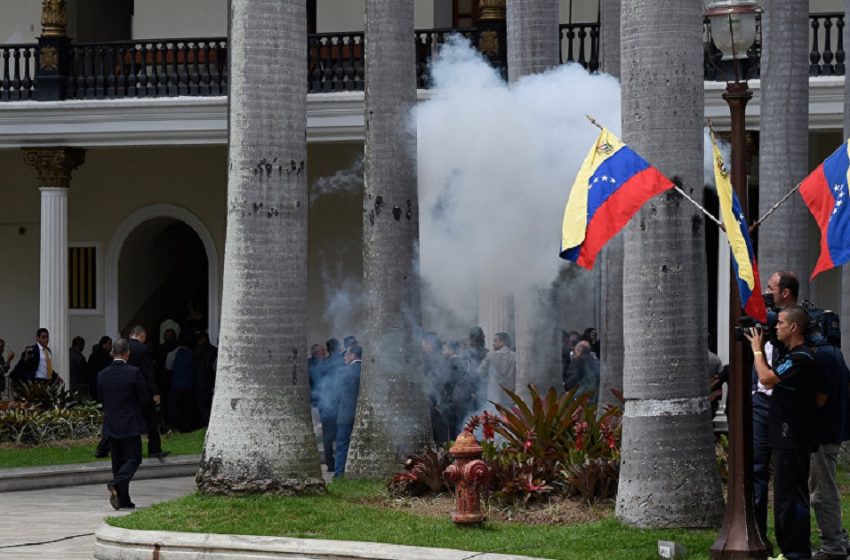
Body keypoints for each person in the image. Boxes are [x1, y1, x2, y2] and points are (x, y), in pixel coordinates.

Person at [745, 305, 820, 560]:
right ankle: (791, 550)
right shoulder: (792, 355)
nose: (775, 327)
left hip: (793, 437)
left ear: (794, 327)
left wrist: (756, 347)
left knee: (790, 496)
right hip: (787, 434)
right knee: (785, 496)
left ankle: (795, 552)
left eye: (780, 323)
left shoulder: (801, 358)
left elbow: (765, 378)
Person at [752, 270, 799, 542]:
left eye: (770, 288)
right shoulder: (764, 323)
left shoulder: (798, 327)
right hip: (760, 403)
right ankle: (758, 538)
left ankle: (788, 542)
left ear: (785, 293)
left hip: (784, 406)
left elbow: (771, 376)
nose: (766, 294)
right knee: (757, 469)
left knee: (785, 473)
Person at [809, 335, 850, 560]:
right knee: (825, 488)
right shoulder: (835, 353)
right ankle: (839, 539)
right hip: (832, 431)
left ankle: (833, 546)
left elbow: (820, 399)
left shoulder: (823, 356)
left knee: (822, 491)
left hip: (823, 435)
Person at [98, 338, 149, 510]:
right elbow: (143, 398)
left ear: (113, 353)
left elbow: (101, 398)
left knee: (118, 462)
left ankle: (124, 499)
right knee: (134, 458)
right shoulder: (134, 372)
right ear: (127, 353)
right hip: (130, 422)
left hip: (111, 423)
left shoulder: (103, 374)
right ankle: (116, 483)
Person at [128, 325, 169, 458]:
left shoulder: (123, 345)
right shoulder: (143, 349)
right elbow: (148, 373)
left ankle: (103, 448)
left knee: (120, 416)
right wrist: (155, 392)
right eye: (144, 337)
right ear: (141, 335)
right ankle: (154, 448)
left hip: (126, 388)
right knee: (151, 419)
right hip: (141, 389)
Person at [335, 343, 362, 478]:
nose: (345, 357)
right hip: (362, 414)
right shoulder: (366, 370)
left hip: (345, 414)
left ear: (352, 355)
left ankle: (339, 474)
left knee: (342, 445)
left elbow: (335, 392)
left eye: (346, 354)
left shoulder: (343, 371)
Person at [308, 342, 336, 472]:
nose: (324, 355)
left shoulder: (322, 363)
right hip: (322, 402)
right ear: (316, 353)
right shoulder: (312, 365)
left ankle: (331, 461)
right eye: (322, 353)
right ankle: (330, 462)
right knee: (327, 434)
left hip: (325, 402)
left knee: (328, 433)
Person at [477, 332, 516, 411]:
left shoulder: (491, 355)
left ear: (502, 342)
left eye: (495, 341)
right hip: (510, 398)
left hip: (494, 398)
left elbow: (480, 371)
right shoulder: (516, 356)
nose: (493, 343)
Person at [194, 331, 217, 426]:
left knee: (203, 404)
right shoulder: (214, 350)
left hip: (201, 381)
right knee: (209, 402)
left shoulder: (198, 351)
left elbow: (194, 365)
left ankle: (208, 423)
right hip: (211, 380)